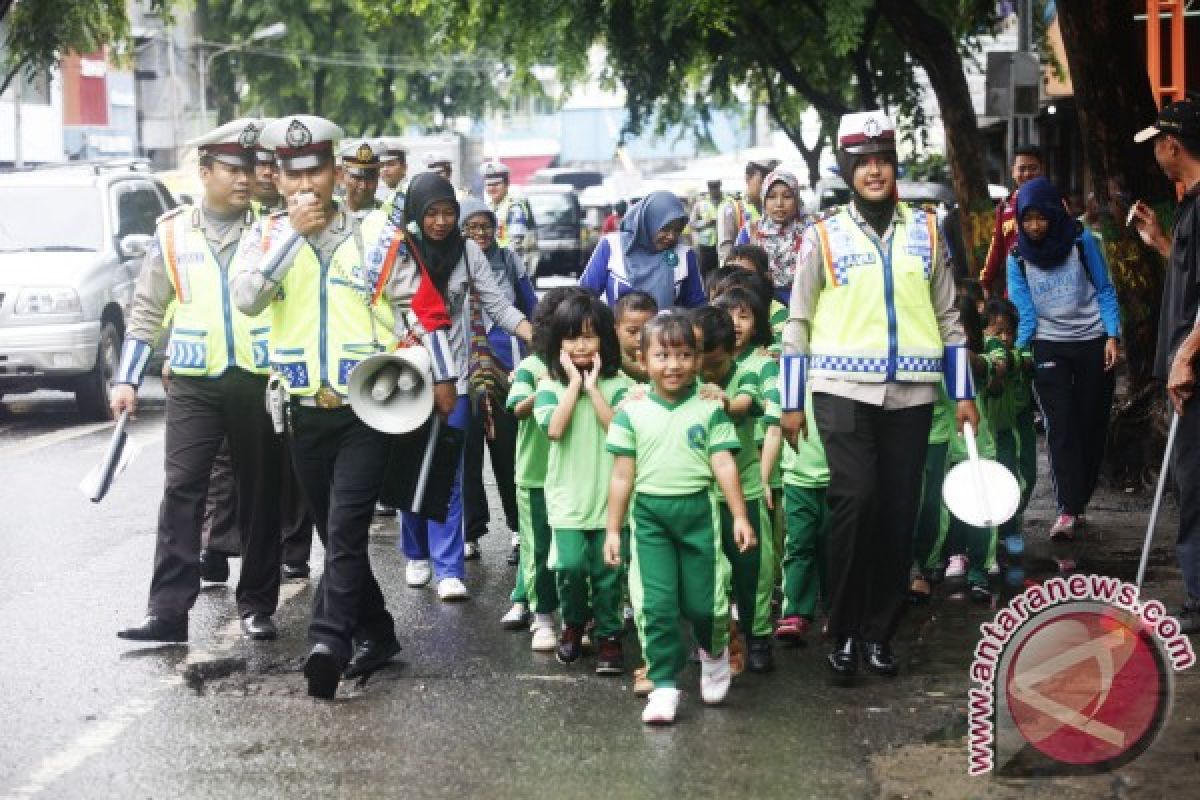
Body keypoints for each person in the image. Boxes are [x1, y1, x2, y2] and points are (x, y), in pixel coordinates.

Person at [230, 114, 457, 698]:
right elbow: (249, 300)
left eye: (315, 170)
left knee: (348, 527)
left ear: (336, 173)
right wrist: (292, 239)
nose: (304, 184)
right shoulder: (263, 238)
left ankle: (327, 640)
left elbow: (426, 309)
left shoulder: (377, 237)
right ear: (276, 179)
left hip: (370, 407)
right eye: (291, 173)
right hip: (302, 408)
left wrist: (445, 379)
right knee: (338, 535)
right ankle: (377, 631)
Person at [779, 110, 978, 682]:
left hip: (913, 393)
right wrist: (791, 402)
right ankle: (841, 631)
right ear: (848, 170)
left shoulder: (928, 229)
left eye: (882, 160)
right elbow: (798, 320)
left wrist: (961, 392)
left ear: (894, 165)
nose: (874, 170)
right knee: (856, 501)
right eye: (863, 162)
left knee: (898, 513)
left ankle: (878, 634)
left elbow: (949, 316)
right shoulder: (823, 235)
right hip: (840, 389)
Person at [114, 118, 284, 644]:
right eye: (232, 169)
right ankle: (168, 611)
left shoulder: (271, 231)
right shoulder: (172, 233)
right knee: (182, 490)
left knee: (261, 495)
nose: (244, 178)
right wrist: (126, 379)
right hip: (192, 380)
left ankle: (257, 605)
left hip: (258, 377)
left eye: (249, 169)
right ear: (204, 171)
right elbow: (146, 310)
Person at [604, 312, 755, 725]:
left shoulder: (710, 408)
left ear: (699, 358)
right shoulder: (631, 410)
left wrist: (739, 516)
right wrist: (613, 529)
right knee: (656, 605)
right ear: (643, 358)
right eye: (663, 355)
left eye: (685, 355)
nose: (674, 365)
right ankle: (665, 684)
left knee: (706, 605)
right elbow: (621, 475)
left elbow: (724, 465)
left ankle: (715, 652)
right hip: (650, 520)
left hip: (699, 518)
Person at [398, 176, 533, 601]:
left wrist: (539, 335)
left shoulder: (468, 251)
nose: (441, 221)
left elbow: (497, 304)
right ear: (417, 213)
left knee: (448, 470)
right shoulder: (399, 252)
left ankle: (449, 567)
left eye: (448, 213)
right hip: (404, 378)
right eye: (432, 213)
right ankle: (416, 551)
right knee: (408, 466)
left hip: (454, 377)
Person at [1006, 176, 1121, 541]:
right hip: (1048, 345)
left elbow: (1104, 289)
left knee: (1090, 423)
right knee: (1062, 425)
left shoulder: (1079, 240)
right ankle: (1067, 510)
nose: (1034, 226)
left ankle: (1079, 498)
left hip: (1092, 341)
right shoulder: (1017, 256)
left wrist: (1113, 336)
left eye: (1040, 217)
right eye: (1028, 219)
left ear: (1054, 213)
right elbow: (1024, 311)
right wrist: (1022, 353)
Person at [534, 294, 631, 671]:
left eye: (589, 337)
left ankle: (608, 635)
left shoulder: (619, 385)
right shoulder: (549, 387)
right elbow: (555, 430)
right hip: (567, 498)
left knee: (608, 573)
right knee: (571, 567)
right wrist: (573, 385)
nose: (580, 346)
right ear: (558, 343)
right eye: (572, 337)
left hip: (610, 498)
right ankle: (573, 624)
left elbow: (617, 431)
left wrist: (593, 388)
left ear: (604, 341)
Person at [1132, 95, 1200, 634]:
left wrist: (1186, 357)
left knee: (1194, 484)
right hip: (1189, 371)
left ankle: (1199, 597)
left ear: (1172, 144)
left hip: (1195, 374)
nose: (1156, 150)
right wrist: (1160, 242)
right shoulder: (1190, 205)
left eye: (1157, 140)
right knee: (1188, 480)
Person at [695, 300, 776, 673]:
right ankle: (712, 640)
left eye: (716, 363)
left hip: (744, 490)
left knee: (752, 570)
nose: (707, 372)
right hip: (698, 493)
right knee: (707, 574)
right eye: (701, 361)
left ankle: (757, 635)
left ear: (732, 352)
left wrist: (726, 402)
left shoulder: (746, 374)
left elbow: (746, 402)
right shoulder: (683, 377)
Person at [499, 287, 583, 647]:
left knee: (576, 550)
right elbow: (515, 408)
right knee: (538, 547)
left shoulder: (593, 371)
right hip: (536, 475)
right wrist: (550, 388)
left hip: (579, 476)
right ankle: (541, 614)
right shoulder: (532, 368)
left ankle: (581, 616)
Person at [457, 198, 538, 563]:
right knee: (467, 451)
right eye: (471, 227)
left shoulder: (508, 259)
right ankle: (470, 532)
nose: (480, 233)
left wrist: (542, 344)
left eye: (485, 225)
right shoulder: (452, 260)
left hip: (508, 365)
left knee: (508, 450)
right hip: (465, 365)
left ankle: (520, 530)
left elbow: (530, 305)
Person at [579, 191, 706, 309]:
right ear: (648, 222)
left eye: (677, 230)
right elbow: (584, 297)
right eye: (665, 228)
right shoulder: (612, 246)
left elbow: (697, 307)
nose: (671, 236)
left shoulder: (684, 255)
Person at [735, 167, 811, 303]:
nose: (779, 204)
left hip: (804, 304)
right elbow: (737, 274)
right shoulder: (750, 231)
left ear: (797, 199)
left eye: (787, 196)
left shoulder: (811, 230)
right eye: (771, 197)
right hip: (762, 305)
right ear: (764, 199)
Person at [979, 145, 1043, 298]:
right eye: (1022, 169)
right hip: (1016, 291)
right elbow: (996, 248)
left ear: (1042, 170)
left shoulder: (1055, 202)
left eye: (1033, 168)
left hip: (1052, 290)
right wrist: (985, 282)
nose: (1027, 174)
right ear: (1013, 171)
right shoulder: (1004, 208)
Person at [482, 160, 538, 271]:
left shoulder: (514, 207)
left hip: (515, 268)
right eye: (489, 184)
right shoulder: (490, 206)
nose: (492, 188)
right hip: (500, 266)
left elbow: (516, 243)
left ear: (507, 184)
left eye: (497, 184)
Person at [717, 158, 777, 261]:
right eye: (762, 181)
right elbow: (726, 250)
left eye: (770, 183)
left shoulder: (773, 207)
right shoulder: (732, 207)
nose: (767, 187)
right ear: (747, 178)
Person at [613, 290, 658, 383]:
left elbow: (647, 374)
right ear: (616, 329)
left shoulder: (664, 355)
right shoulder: (605, 363)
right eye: (632, 331)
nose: (640, 338)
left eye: (647, 330)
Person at [338, 138, 380, 219]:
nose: (363, 186)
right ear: (343, 175)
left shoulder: (389, 217)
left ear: (378, 177)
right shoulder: (328, 213)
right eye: (357, 178)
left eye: (370, 178)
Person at [690, 179, 723, 277]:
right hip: (706, 245)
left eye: (716, 187)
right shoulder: (701, 203)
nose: (714, 190)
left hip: (723, 243)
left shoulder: (727, 201)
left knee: (721, 273)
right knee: (706, 273)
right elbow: (692, 223)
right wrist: (705, 222)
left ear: (720, 186)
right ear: (708, 188)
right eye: (711, 188)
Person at [376, 136, 407, 209]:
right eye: (381, 165)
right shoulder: (393, 195)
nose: (385, 169)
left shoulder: (408, 194)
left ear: (404, 167)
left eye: (391, 164)